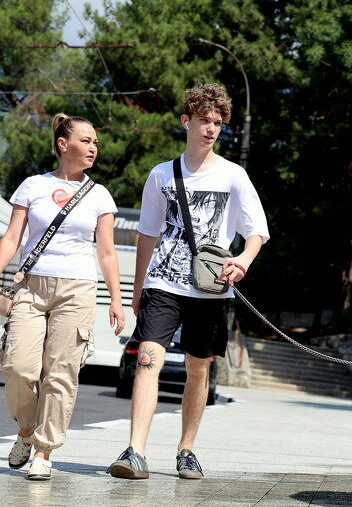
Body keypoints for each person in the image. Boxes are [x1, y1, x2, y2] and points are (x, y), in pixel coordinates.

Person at [107, 82, 269, 480]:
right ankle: (135, 451)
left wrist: (244, 261)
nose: (211, 129)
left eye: (217, 123)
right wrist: (138, 286)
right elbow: (147, 232)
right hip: (164, 282)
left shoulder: (234, 176)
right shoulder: (161, 175)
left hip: (211, 287)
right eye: (204, 120)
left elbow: (257, 231)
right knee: (147, 359)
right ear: (186, 122)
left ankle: (186, 450)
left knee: (199, 369)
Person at [0, 113, 125, 480]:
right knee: (17, 366)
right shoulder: (32, 186)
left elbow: (106, 253)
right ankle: (26, 429)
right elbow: (11, 239)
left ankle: (43, 450)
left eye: (96, 143)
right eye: (86, 141)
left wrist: (115, 299)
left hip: (78, 289)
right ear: (62, 144)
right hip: (31, 286)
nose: (93, 148)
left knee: (61, 373)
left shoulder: (99, 195)